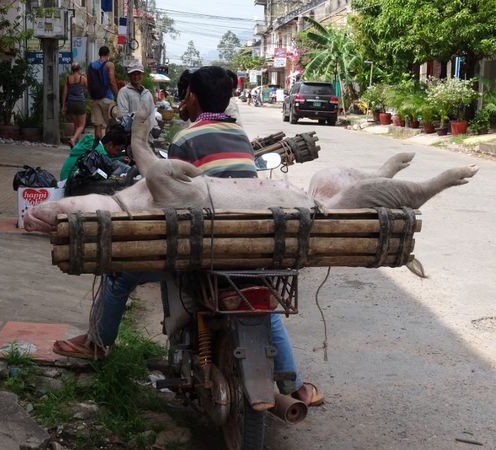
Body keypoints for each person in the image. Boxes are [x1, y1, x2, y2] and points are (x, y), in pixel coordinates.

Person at [53, 66, 323, 407]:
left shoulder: (185, 138)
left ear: (192, 96)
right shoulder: (239, 135)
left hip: (206, 247)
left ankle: (96, 341)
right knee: (263, 302)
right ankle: (294, 383)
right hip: (248, 246)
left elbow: (171, 197)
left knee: (120, 276)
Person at [59, 125, 129, 181]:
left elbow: (108, 158)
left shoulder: (95, 144)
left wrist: (120, 158)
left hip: (65, 178)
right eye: (118, 150)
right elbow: (107, 161)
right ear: (110, 145)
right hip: (68, 183)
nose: (118, 153)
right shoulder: (98, 153)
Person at [88, 46, 118, 140]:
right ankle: (107, 146)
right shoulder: (109, 65)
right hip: (107, 98)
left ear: (99, 54)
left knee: (98, 125)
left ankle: (98, 147)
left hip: (95, 98)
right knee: (110, 124)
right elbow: (112, 81)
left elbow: (89, 81)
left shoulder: (91, 65)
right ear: (108, 54)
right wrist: (118, 95)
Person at [61, 62, 87, 147]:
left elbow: (65, 93)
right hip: (80, 103)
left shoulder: (68, 78)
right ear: (79, 69)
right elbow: (88, 87)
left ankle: (77, 144)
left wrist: (64, 105)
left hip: (71, 103)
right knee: (81, 125)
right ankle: (73, 139)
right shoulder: (82, 78)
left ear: (72, 69)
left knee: (76, 125)